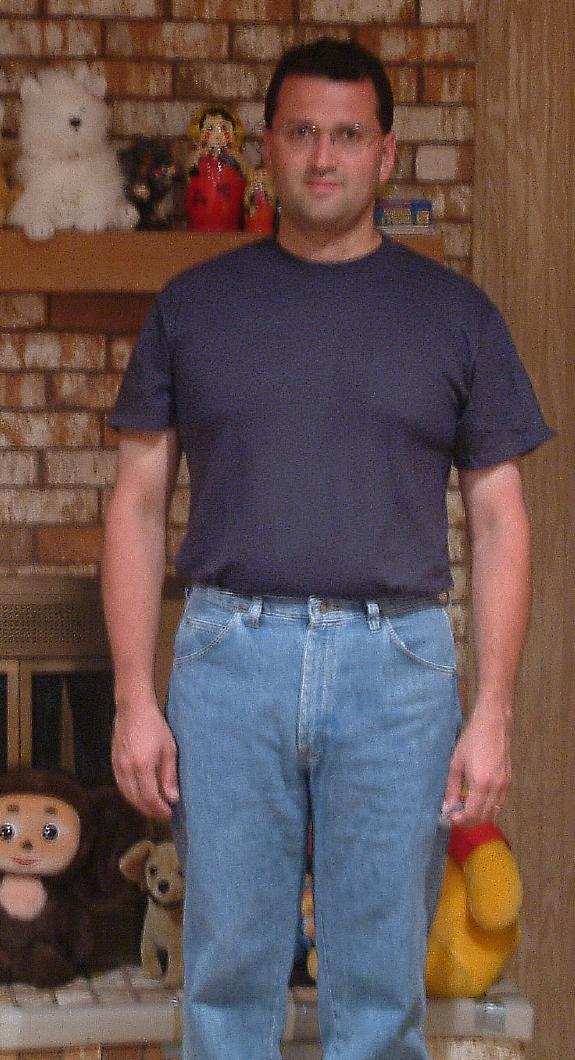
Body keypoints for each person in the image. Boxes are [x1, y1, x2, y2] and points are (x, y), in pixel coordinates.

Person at [102, 38, 553, 1060]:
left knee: (380, 990)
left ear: (384, 155)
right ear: (266, 147)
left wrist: (491, 710)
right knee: (225, 979)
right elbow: (135, 504)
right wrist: (132, 695)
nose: (322, 157)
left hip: (397, 669)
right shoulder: (193, 307)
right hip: (228, 658)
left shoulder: (455, 316)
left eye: (347, 136)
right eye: (301, 132)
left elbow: (498, 521)